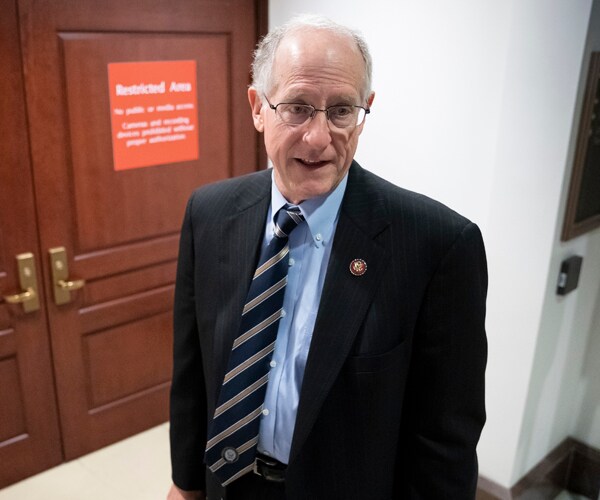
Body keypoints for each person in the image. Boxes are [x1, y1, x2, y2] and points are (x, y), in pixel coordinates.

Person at [168, 14, 487, 500]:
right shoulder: (209, 214)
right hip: (228, 483)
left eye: (341, 110)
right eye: (297, 107)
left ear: (366, 109)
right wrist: (186, 485)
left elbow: (444, 439)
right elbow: (192, 376)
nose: (319, 138)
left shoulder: (438, 246)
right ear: (258, 107)